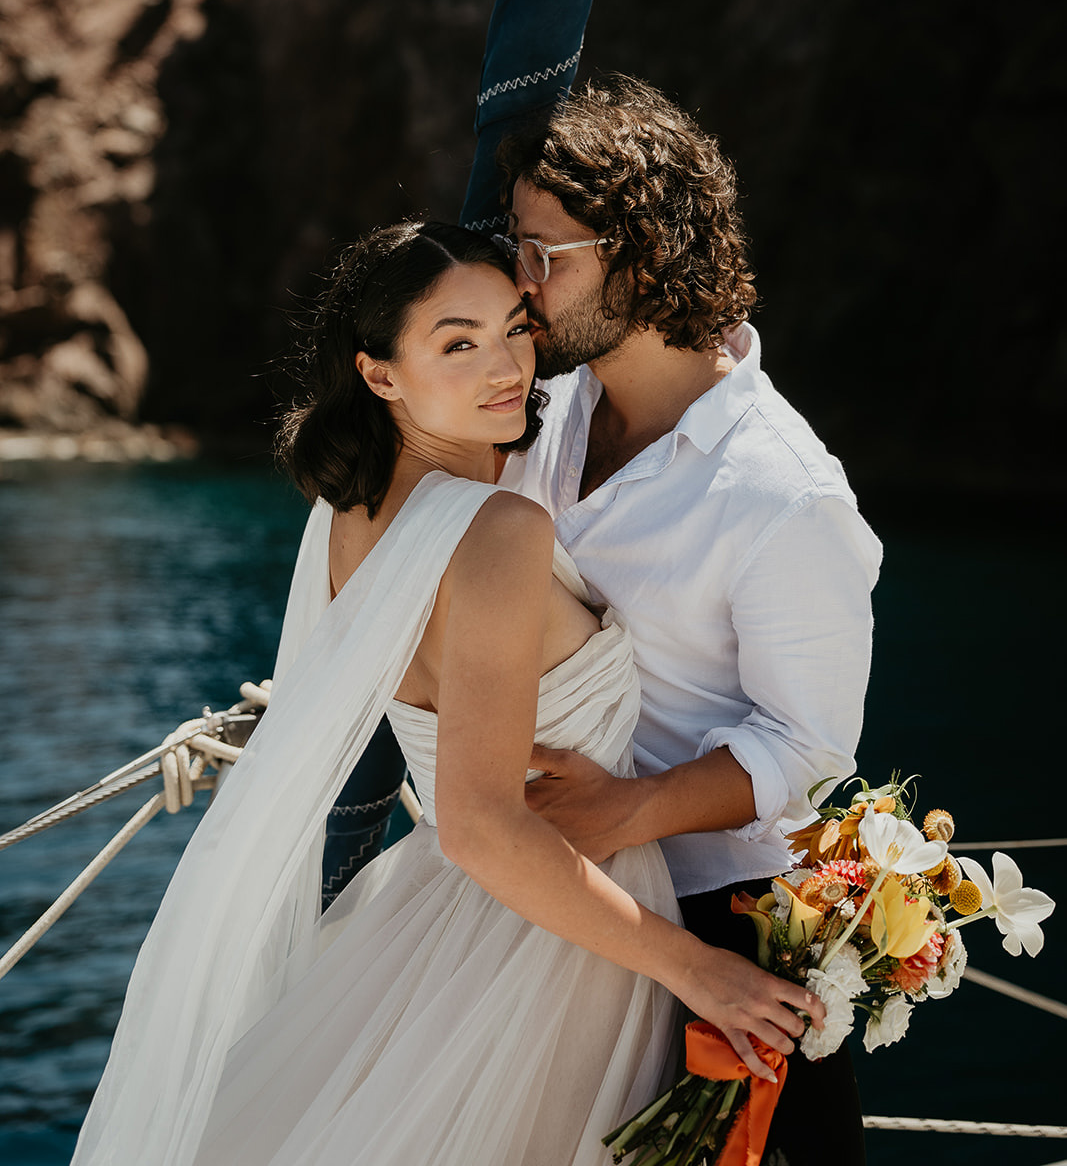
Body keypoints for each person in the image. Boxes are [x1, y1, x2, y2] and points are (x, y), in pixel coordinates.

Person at [71, 220, 822, 1166]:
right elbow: (477, 823)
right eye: (457, 344)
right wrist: (699, 972)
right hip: (560, 946)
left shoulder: (347, 511)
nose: (507, 367)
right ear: (380, 373)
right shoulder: (497, 530)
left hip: (433, 921)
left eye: (514, 327)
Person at [493, 78, 882, 1166]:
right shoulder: (544, 412)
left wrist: (630, 809)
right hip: (562, 899)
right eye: (515, 247)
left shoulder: (783, 492)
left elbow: (808, 749)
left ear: (641, 253)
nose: (521, 288)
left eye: (544, 253)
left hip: (722, 935)